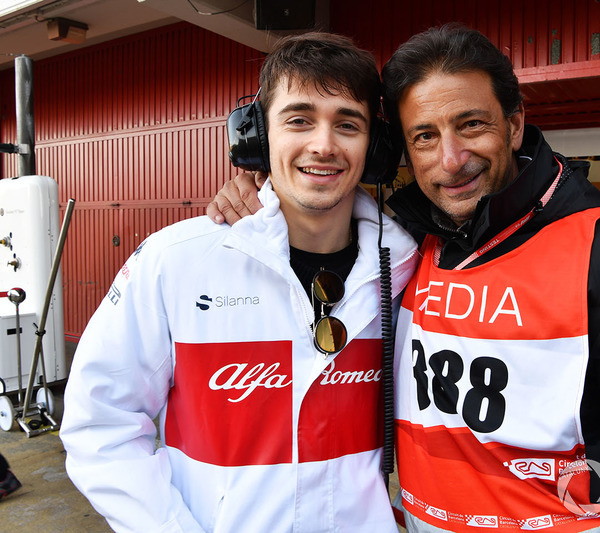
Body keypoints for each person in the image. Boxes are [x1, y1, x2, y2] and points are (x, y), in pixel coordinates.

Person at [207, 24, 600, 533]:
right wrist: (263, 189)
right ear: (401, 154)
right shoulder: (404, 240)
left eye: (472, 125)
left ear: (515, 125)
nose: (450, 161)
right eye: (425, 136)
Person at [60, 32, 418, 533]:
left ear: (374, 147)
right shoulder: (175, 260)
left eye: (347, 124)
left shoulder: (409, 268)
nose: (323, 144)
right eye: (298, 120)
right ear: (255, 136)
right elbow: (101, 425)